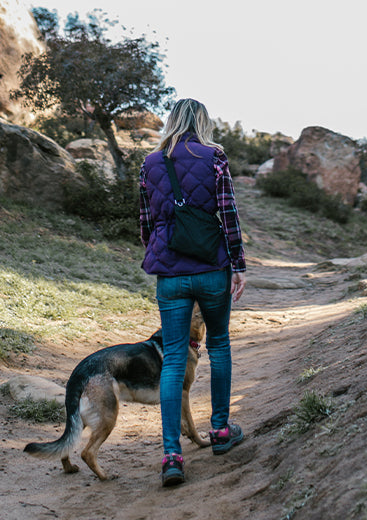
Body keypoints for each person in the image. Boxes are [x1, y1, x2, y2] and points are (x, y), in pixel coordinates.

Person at [139, 98, 246, 487]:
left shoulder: (150, 162)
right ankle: (220, 431)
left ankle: (171, 455)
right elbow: (228, 213)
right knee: (218, 345)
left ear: (171, 121)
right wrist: (238, 264)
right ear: (202, 122)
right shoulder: (215, 157)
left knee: (171, 361)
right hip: (212, 266)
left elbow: (146, 220)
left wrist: (159, 253)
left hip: (170, 272)